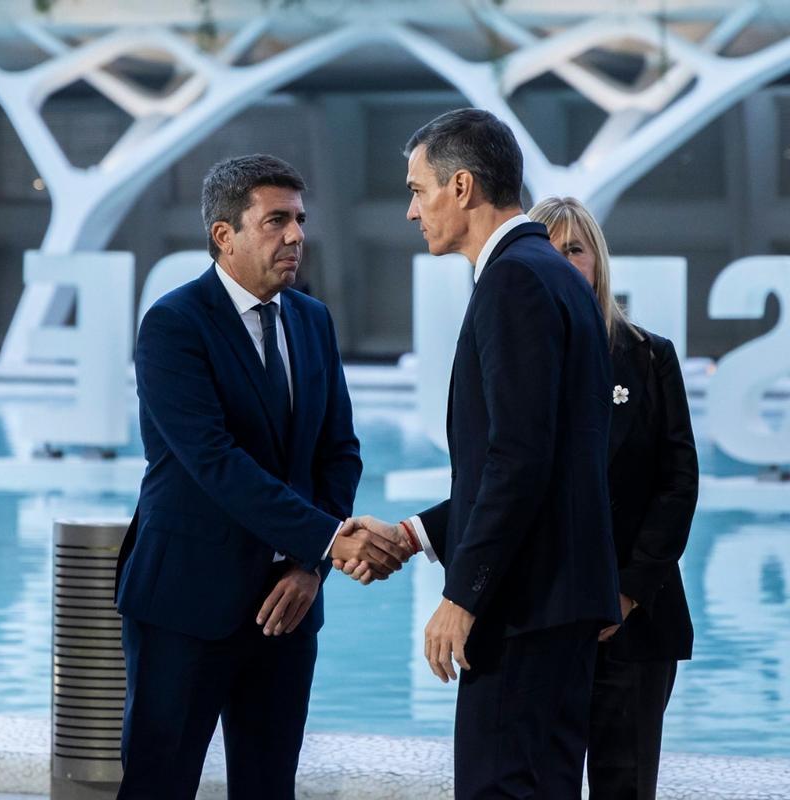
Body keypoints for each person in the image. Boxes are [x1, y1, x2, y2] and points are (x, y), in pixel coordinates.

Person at [338, 109, 621, 798]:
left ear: (460, 187)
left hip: (523, 611)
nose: (411, 210)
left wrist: (464, 595)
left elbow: (519, 459)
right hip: (559, 610)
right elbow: (543, 459)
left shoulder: (515, 280)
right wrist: (413, 535)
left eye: (417, 189)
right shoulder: (554, 276)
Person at [114, 154, 406, 799]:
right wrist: (331, 540)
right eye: (276, 220)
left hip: (289, 604)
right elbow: (215, 463)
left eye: (299, 219)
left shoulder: (312, 320)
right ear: (225, 235)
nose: (297, 235)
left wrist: (310, 566)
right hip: (185, 603)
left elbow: (340, 451)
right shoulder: (173, 324)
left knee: (269, 788)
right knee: (158, 786)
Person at [529, 196, 698, 800]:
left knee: (624, 787)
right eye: (546, 248)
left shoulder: (649, 357)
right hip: (543, 623)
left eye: (574, 249)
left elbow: (678, 484)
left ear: (597, 261)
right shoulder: (516, 361)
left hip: (635, 622)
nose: (562, 261)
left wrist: (625, 591)